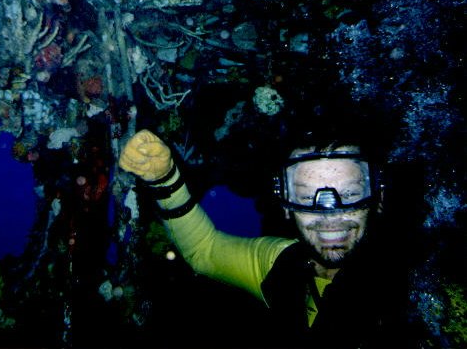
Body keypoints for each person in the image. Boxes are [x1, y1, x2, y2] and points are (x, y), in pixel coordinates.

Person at [118, 128, 414, 348]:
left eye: (349, 194)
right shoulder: (282, 264)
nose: (329, 214)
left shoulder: (415, 288)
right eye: (306, 196)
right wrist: (166, 178)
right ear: (285, 205)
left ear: (379, 197)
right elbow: (204, 250)